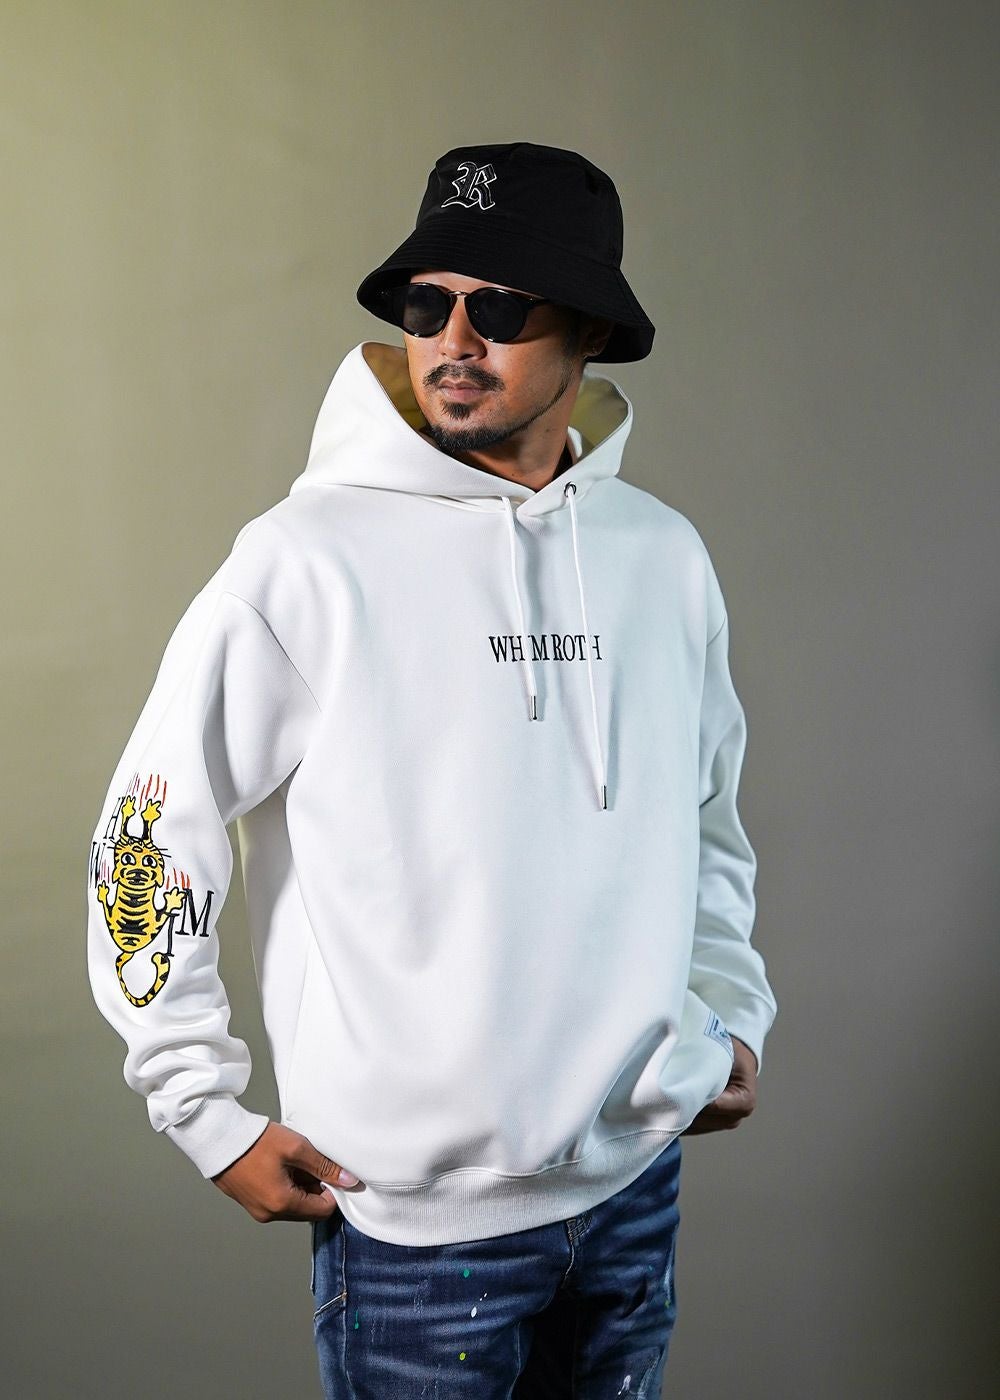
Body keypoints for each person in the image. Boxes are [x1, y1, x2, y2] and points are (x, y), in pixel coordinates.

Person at [87, 141, 777, 1398]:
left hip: (633, 1179)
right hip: (412, 1225)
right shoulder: (304, 560)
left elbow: (709, 819)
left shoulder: (661, 556)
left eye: (499, 308)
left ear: (588, 333)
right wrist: (204, 1110)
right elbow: (147, 834)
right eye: (426, 304)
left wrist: (729, 1007)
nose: (453, 341)